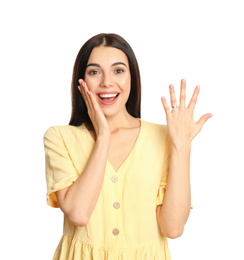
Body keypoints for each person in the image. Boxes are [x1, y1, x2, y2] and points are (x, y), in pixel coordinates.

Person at [44, 33, 212, 260]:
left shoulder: (163, 137)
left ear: (132, 77)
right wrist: (103, 135)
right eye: (94, 72)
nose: (106, 82)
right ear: (81, 81)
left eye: (118, 70)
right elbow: (79, 213)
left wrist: (181, 146)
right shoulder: (59, 138)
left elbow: (173, 228)